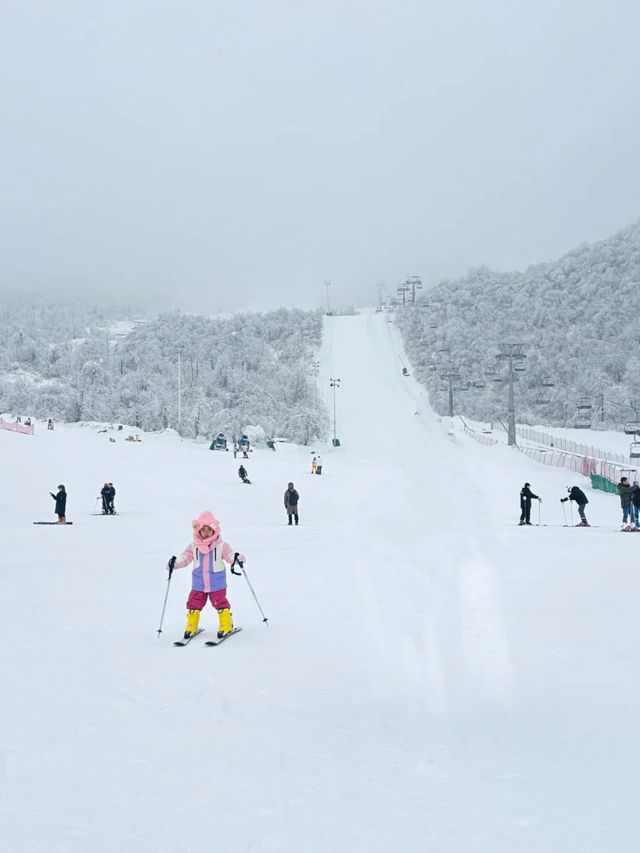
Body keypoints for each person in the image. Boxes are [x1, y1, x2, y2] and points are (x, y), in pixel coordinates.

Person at [168, 510, 245, 639]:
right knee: (193, 603)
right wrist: (174, 564)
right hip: (198, 582)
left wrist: (237, 559)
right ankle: (192, 624)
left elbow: (229, 556)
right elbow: (185, 558)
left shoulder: (221, 546)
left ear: (214, 530)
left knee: (219, 603)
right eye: (203, 530)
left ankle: (226, 624)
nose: (206, 532)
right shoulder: (193, 546)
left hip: (217, 582)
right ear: (198, 531)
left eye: (209, 529)